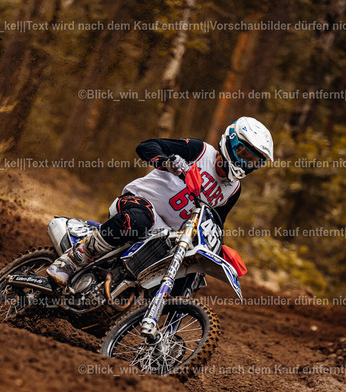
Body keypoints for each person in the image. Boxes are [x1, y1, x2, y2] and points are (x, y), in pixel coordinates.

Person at [46, 116, 273, 286]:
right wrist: (169, 163)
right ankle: (73, 259)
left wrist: (221, 251)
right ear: (231, 141)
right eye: (243, 154)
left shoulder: (233, 191)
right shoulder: (199, 150)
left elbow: (214, 223)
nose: (245, 163)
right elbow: (146, 146)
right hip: (139, 204)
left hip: (167, 236)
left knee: (190, 270)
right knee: (140, 218)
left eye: (253, 161)